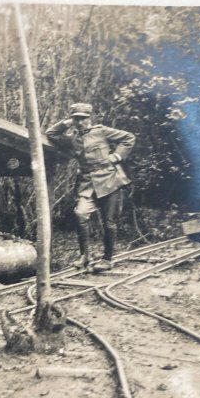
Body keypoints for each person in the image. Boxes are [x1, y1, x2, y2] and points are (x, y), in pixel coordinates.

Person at [46, 103, 135, 272]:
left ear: (89, 118)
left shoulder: (100, 131)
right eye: (76, 119)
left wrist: (117, 156)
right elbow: (51, 133)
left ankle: (107, 259)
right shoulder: (71, 139)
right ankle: (84, 256)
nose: (80, 122)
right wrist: (66, 123)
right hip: (87, 183)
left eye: (83, 119)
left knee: (109, 222)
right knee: (80, 214)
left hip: (110, 180)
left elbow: (129, 138)